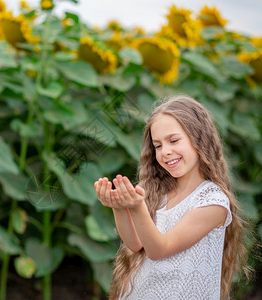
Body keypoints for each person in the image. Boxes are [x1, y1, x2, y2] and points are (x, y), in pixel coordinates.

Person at [94, 95, 250, 300]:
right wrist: (119, 206)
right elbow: (135, 244)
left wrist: (137, 207)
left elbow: (160, 249)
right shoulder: (157, 189)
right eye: (158, 146)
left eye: (174, 140)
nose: (165, 152)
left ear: (199, 139)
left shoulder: (212, 202)